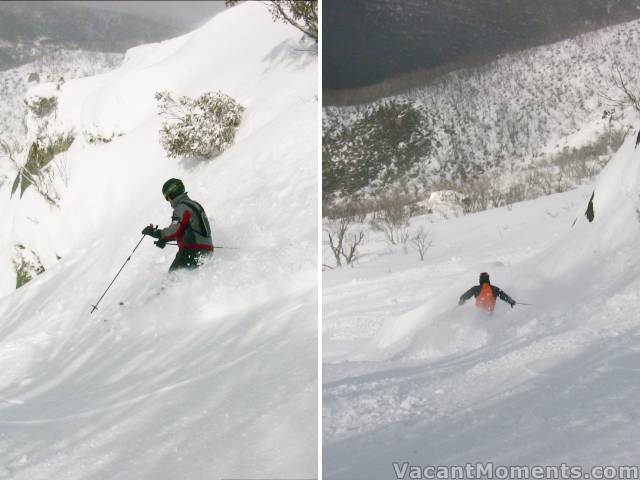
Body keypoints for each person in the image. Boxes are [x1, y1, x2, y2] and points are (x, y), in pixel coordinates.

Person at [142, 178, 213, 271]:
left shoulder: (181, 208)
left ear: (171, 194)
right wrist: (164, 240)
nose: (168, 201)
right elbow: (189, 229)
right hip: (206, 251)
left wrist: (155, 233)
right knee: (188, 280)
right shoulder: (194, 204)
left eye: (167, 197)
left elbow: (174, 231)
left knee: (170, 281)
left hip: (192, 251)